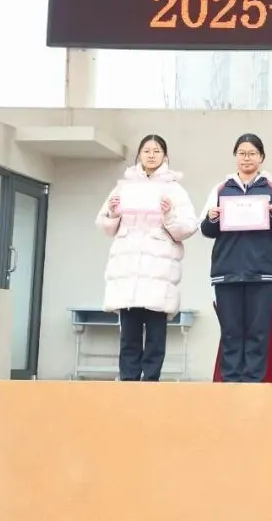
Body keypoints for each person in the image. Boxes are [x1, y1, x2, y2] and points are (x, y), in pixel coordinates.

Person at [95, 134, 197, 382]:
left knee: (155, 332)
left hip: (159, 268)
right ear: (139, 155)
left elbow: (188, 227)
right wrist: (113, 212)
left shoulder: (174, 189)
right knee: (128, 333)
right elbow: (104, 225)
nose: (151, 155)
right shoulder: (124, 187)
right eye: (147, 150)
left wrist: (169, 215)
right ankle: (128, 380)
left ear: (165, 156)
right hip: (128, 269)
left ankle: (151, 380)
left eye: (157, 151)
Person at [200, 133, 272, 383]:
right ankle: (231, 382)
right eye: (242, 153)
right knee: (230, 331)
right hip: (226, 271)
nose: (247, 158)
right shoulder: (221, 188)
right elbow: (206, 229)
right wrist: (212, 218)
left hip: (262, 271)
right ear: (235, 157)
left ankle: (254, 382)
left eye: (252, 153)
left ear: (261, 157)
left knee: (259, 332)